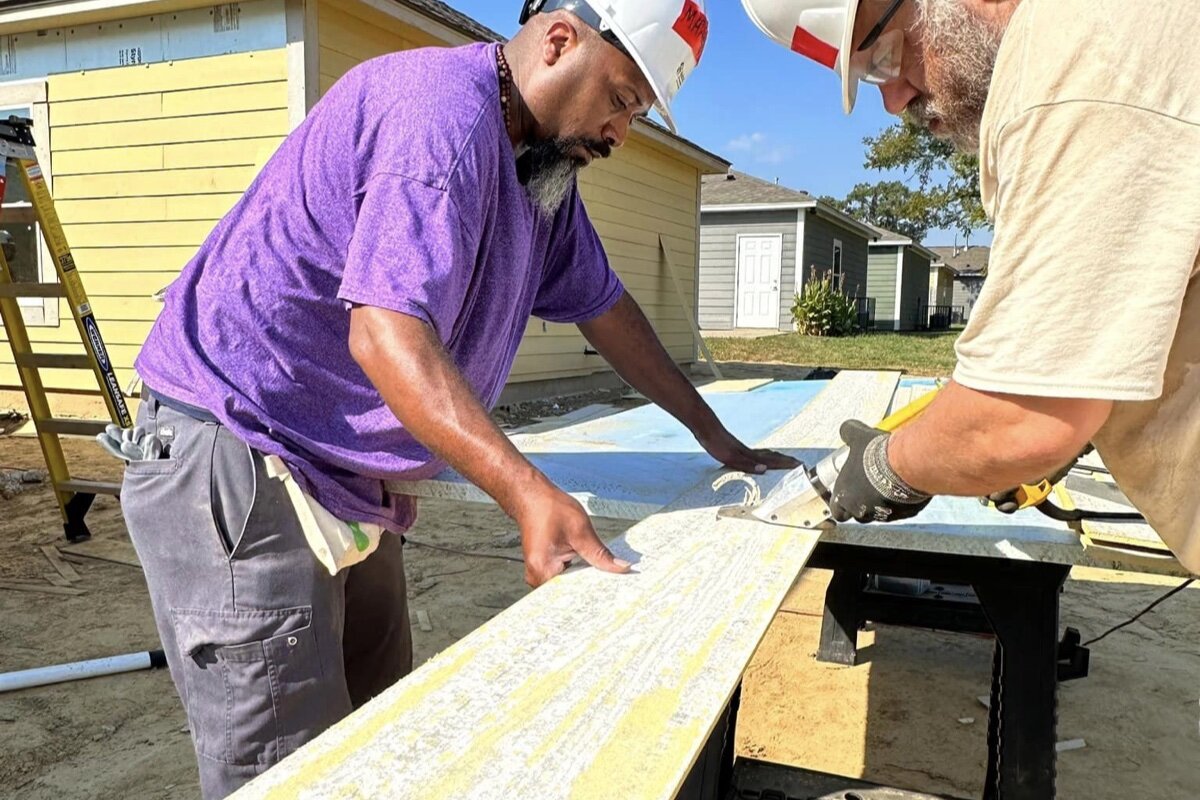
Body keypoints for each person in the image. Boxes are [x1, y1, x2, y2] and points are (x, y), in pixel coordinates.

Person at [119, 1, 797, 796]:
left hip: (341, 476)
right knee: (286, 769)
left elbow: (606, 308)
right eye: (619, 99)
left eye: (639, 114)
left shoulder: (539, 171)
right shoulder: (441, 122)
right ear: (557, 41)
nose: (621, 136)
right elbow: (387, 336)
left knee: (384, 730)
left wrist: (717, 438)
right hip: (242, 456)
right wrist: (528, 493)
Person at [741, 0, 1200, 575]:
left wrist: (889, 465)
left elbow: (1021, 418)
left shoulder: (1069, 67)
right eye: (870, 76)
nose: (892, 100)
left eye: (884, 58)